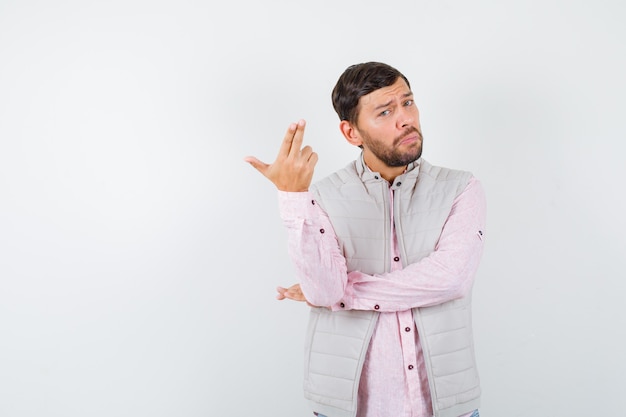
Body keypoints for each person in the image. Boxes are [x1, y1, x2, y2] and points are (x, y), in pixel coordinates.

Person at [244, 62, 486, 417]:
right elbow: (326, 292)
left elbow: (451, 278)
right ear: (351, 132)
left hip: (446, 406)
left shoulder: (461, 189)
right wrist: (293, 196)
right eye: (385, 111)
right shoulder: (322, 197)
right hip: (347, 407)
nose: (405, 118)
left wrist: (347, 292)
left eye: (407, 102)